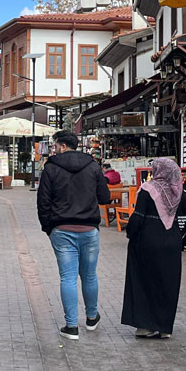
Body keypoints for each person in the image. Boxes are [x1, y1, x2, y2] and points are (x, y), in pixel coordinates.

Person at [36, 130, 108, 340]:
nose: (54, 148)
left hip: (62, 228)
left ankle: (71, 326)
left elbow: (43, 202)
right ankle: (92, 318)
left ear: (63, 145)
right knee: (89, 275)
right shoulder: (93, 166)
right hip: (89, 229)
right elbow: (104, 196)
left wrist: (47, 227)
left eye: (56, 144)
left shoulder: (51, 168)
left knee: (67, 277)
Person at [121, 158, 186, 339]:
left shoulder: (148, 190)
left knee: (145, 282)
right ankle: (164, 327)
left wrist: (130, 234)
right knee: (168, 283)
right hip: (171, 242)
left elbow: (138, 217)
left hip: (147, 241)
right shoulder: (178, 192)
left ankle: (146, 326)